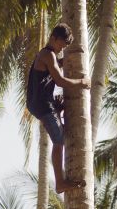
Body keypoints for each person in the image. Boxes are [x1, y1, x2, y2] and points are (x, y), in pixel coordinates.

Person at [27, 23, 91, 193]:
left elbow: (56, 66)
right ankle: (60, 182)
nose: (62, 48)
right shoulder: (47, 55)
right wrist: (82, 83)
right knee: (59, 140)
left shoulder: (51, 56)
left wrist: (68, 59)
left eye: (65, 46)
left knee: (61, 106)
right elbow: (60, 81)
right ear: (53, 38)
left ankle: (58, 109)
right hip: (41, 103)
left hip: (41, 101)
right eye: (61, 44)